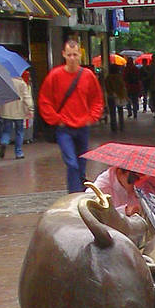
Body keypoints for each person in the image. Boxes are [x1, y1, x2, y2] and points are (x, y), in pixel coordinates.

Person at [36, 37, 104, 193]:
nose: (72, 58)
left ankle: (77, 193)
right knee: (72, 163)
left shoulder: (87, 75)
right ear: (64, 55)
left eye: (75, 54)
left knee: (81, 164)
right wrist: (56, 119)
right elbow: (44, 100)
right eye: (69, 55)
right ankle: (75, 195)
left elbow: (97, 99)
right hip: (64, 128)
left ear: (80, 55)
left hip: (82, 127)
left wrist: (91, 117)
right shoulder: (55, 75)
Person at [0, 72, 33, 160]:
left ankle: (4, 141)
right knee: (19, 132)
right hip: (19, 111)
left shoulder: (4, 82)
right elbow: (26, 96)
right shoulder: (21, 83)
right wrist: (30, 108)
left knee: (6, 130)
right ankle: (19, 152)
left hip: (6, 111)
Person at [105, 61, 127, 134]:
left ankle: (113, 127)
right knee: (120, 112)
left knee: (112, 112)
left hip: (111, 96)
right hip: (119, 95)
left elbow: (106, 87)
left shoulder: (108, 78)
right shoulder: (119, 77)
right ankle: (121, 126)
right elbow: (122, 86)